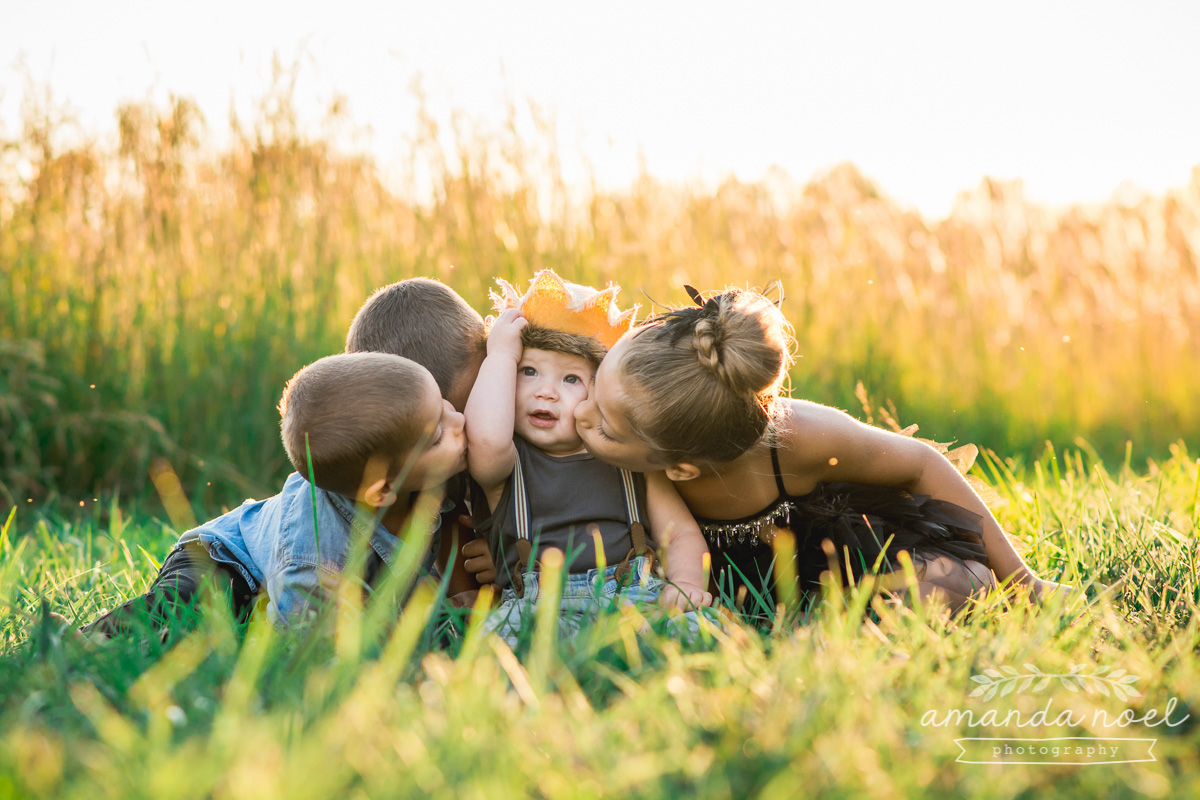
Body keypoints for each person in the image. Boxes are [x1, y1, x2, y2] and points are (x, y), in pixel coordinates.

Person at [573, 285, 1063, 614]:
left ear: (679, 469)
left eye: (606, 429)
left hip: (834, 549)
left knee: (958, 582)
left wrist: (1026, 581)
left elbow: (921, 465)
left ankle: (843, 629)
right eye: (590, 387)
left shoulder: (802, 438)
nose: (580, 416)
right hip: (722, 578)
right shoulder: (603, 441)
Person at [70, 353, 466, 636]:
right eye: (437, 435)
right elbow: (303, 645)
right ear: (381, 491)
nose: (461, 420)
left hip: (281, 575)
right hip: (227, 560)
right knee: (193, 606)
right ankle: (91, 640)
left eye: (447, 406)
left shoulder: (424, 481)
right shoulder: (313, 559)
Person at [465, 271, 712, 643]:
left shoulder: (630, 460)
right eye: (528, 371)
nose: (546, 392)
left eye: (571, 379)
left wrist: (686, 584)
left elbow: (679, 536)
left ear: (604, 393)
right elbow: (483, 437)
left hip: (635, 598)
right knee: (495, 644)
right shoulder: (505, 464)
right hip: (535, 606)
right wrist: (500, 355)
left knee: (697, 632)